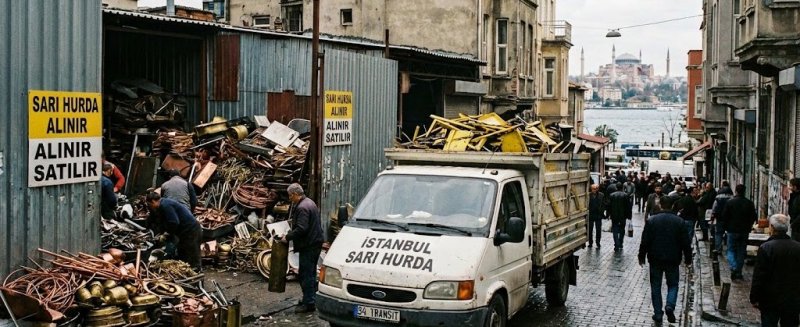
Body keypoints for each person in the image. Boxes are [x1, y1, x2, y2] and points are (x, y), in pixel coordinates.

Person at [639, 195, 692, 324]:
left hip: (655, 258)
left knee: (656, 285)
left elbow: (645, 240)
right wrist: (688, 259)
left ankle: (658, 313)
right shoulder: (679, 221)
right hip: (673, 258)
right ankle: (670, 305)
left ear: (661, 205)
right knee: (673, 284)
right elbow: (686, 243)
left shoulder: (652, 220)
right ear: (672, 206)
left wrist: (641, 255)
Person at [279, 184, 323, 313]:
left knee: (306, 274)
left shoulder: (303, 207)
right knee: (311, 273)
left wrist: (287, 237)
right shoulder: (310, 203)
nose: (289, 198)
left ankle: (309, 303)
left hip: (309, 245)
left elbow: (302, 229)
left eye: (290, 195)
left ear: (294, 194)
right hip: (315, 243)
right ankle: (310, 298)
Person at [750, 214, 800, 327]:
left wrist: (754, 297)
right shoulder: (798, 247)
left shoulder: (766, 248)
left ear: (772, 228)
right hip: (792, 298)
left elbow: (760, 275)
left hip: (770, 298)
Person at [146, 192, 202, 270]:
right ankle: (186, 272)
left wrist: (166, 234)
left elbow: (174, 222)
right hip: (185, 231)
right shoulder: (162, 204)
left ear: (153, 201)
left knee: (192, 254)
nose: (151, 207)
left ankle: (197, 274)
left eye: (150, 205)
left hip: (191, 229)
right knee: (183, 253)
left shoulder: (165, 205)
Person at [719, 184, 757, 280]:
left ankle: (734, 267)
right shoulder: (749, 203)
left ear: (736, 191)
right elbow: (753, 217)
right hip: (744, 231)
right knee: (741, 251)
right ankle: (738, 272)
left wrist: (725, 228)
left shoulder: (730, 202)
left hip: (732, 230)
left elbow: (724, 217)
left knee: (731, 250)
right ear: (744, 191)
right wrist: (749, 226)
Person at [608, 184, 632, 252]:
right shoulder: (626, 195)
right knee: (622, 229)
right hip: (623, 216)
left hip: (614, 215)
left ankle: (616, 244)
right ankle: (620, 243)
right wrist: (629, 215)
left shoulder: (612, 195)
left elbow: (609, 206)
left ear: (616, 187)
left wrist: (609, 214)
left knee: (615, 230)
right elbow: (628, 206)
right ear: (622, 188)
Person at [711, 182, 734, 254]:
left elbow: (714, 208)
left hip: (719, 218)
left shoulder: (718, 198)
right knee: (729, 233)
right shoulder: (731, 197)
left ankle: (718, 249)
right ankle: (729, 249)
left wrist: (713, 216)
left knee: (718, 233)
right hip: (729, 218)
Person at [588, 184, 606, 248]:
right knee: (590, 230)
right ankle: (590, 242)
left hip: (598, 215)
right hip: (591, 215)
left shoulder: (601, 195)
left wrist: (602, 211)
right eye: (593, 189)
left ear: (598, 189)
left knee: (598, 230)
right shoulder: (588, 195)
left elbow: (604, 204)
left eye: (596, 189)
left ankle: (598, 242)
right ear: (591, 189)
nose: (594, 190)